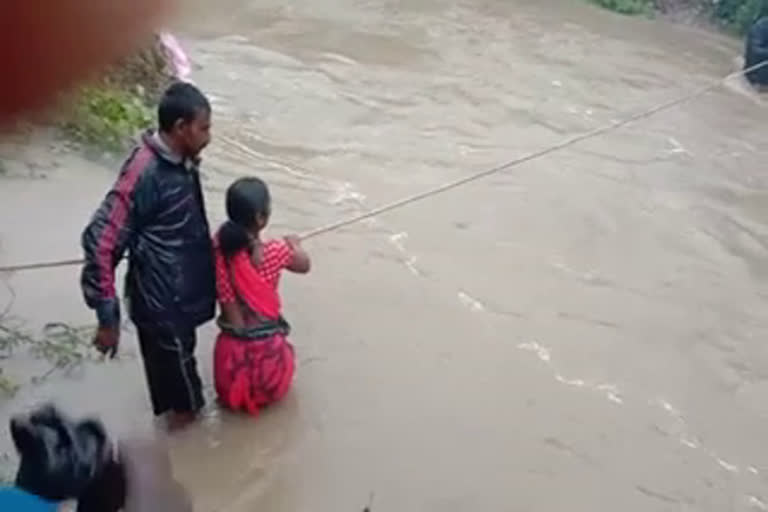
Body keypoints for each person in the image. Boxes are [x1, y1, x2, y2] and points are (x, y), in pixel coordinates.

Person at [80, 81, 216, 430]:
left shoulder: (181, 159)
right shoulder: (144, 171)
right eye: (204, 128)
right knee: (184, 403)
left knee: (183, 384)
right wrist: (107, 316)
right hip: (161, 306)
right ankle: (188, 456)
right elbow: (101, 240)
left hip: (178, 296)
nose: (209, 137)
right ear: (181, 127)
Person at [213, 177, 311, 415]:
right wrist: (294, 244)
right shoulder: (276, 251)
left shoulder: (217, 250)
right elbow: (304, 265)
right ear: (260, 218)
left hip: (230, 362)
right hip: (268, 356)